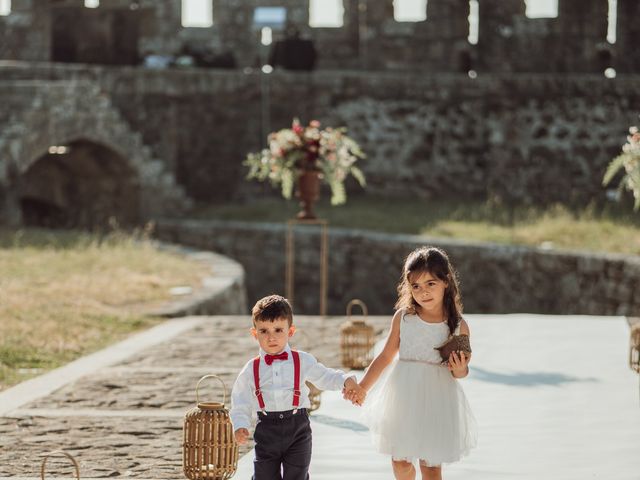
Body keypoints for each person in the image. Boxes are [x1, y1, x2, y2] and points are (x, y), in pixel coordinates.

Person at [346, 246, 477, 480]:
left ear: (446, 282)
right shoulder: (404, 318)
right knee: (400, 461)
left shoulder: (457, 326)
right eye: (415, 286)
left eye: (430, 284)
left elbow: (461, 370)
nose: (423, 292)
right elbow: (386, 356)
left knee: (431, 466)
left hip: (437, 399)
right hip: (403, 396)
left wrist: (460, 369)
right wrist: (363, 387)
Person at [230, 294, 366, 480]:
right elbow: (240, 400)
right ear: (255, 334)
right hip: (267, 429)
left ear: (290, 331)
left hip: (298, 429)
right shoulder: (251, 368)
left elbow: (324, 376)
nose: (271, 337)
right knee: (264, 476)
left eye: (278, 330)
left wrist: (345, 380)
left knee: (297, 476)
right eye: (264, 331)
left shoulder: (301, 360)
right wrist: (240, 425)